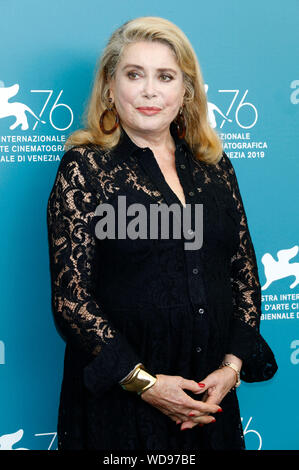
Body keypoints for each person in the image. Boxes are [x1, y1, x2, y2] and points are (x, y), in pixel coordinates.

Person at [46, 16, 278, 451]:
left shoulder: (215, 168)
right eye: (135, 75)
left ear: (185, 91)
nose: (150, 90)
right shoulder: (87, 168)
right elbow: (71, 300)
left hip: (208, 400)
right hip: (122, 403)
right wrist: (146, 384)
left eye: (165, 76)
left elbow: (243, 276)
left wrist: (230, 370)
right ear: (111, 88)